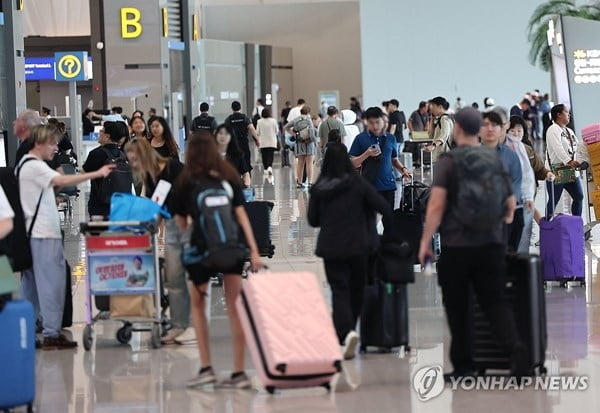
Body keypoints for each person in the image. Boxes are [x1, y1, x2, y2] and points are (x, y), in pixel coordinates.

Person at [417, 107, 528, 381]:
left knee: (458, 306)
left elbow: (436, 205)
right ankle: (516, 350)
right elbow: (511, 205)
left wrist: (425, 240)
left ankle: (465, 366)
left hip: (457, 245)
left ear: (456, 129)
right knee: (494, 301)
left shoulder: (449, 161)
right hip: (490, 243)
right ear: (478, 129)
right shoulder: (496, 160)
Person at [173, 134, 263, 389]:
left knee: (199, 309)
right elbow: (242, 215)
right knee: (236, 309)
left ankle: (206, 368)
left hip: (201, 252)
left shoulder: (186, 181)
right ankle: (238, 372)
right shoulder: (228, 177)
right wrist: (253, 250)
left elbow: (181, 223)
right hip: (231, 251)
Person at [19, 124, 115, 349]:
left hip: (34, 233)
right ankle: (52, 333)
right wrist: (97, 173)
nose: (56, 148)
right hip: (43, 234)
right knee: (51, 284)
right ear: (39, 144)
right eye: (52, 143)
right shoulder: (34, 165)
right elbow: (61, 181)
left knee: (31, 287)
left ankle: (27, 329)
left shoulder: (27, 165)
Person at [308, 143, 392, 359]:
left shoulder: (320, 187)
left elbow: (313, 220)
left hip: (332, 247)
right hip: (360, 246)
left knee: (339, 290)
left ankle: (345, 334)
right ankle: (349, 330)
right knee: (357, 289)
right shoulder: (359, 185)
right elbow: (384, 208)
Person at [123, 138, 193, 345]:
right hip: (172, 227)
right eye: (131, 161)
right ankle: (179, 324)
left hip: (191, 225)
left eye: (135, 160)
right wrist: (149, 226)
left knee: (193, 277)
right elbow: (159, 206)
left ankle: (193, 323)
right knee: (172, 277)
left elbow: (193, 194)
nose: (133, 165)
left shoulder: (175, 168)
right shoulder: (151, 178)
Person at [508, 116, 554, 253]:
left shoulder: (527, 149)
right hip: (509, 197)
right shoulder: (502, 150)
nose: (516, 134)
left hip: (527, 195)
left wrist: (547, 174)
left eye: (519, 130)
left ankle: (521, 257)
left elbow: (538, 168)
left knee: (525, 226)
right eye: (512, 131)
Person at [349, 107, 411, 209]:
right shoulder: (360, 138)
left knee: (389, 221)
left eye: (377, 122)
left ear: (383, 120)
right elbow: (352, 163)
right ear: (366, 123)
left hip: (388, 186)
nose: (375, 126)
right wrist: (366, 154)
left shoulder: (391, 138)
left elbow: (394, 160)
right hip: (368, 186)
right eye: (371, 122)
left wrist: (403, 169)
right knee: (369, 222)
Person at [492, 107, 536, 252]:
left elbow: (526, 173)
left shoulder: (516, 145)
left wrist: (528, 196)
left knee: (517, 244)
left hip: (516, 204)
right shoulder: (483, 145)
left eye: (500, 124)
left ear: (506, 125)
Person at [480, 111, 524, 250]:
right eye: (485, 125)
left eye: (494, 125)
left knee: (508, 254)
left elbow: (516, 183)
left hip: (507, 213)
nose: (490, 129)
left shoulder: (510, 156)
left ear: (501, 129)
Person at [82, 121, 132, 218]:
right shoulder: (123, 154)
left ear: (107, 136)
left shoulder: (96, 153)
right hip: (121, 203)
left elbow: (84, 174)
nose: (100, 131)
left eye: (102, 130)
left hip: (100, 205)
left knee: (99, 231)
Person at [545, 104, 584, 216]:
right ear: (559, 114)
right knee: (553, 201)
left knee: (579, 196)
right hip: (556, 170)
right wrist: (569, 161)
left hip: (569, 169)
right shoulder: (552, 130)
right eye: (567, 112)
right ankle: (546, 225)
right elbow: (558, 148)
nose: (569, 114)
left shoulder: (568, 131)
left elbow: (578, 146)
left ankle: (576, 223)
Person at [285, 106, 318, 188]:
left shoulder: (296, 120)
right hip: (309, 143)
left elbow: (286, 127)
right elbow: (312, 133)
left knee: (300, 163)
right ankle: (310, 182)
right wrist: (315, 143)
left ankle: (299, 182)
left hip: (299, 143)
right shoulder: (308, 119)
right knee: (309, 163)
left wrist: (294, 135)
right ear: (308, 112)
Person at [224, 101, 260, 172]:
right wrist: (257, 139)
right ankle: (247, 180)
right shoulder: (245, 118)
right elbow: (252, 129)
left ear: (232, 108)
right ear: (240, 108)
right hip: (244, 143)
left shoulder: (229, 119)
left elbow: (225, 131)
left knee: (234, 163)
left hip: (233, 144)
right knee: (246, 162)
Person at [424, 96, 453, 163]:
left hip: (443, 156)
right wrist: (432, 119)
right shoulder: (440, 119)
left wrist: (433, 146)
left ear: (440, 107)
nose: (431, 109)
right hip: (439, 156)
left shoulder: (444, 119)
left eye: (433, 107)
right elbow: (430, 135)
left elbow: (444, 134)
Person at [256, 108, 278, 175]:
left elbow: (257, 132)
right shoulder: (273, 121)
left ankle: (266, 169)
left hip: (263, 142)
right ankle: (269, 167)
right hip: (272, 141)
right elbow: (277, 131)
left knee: (264, 156)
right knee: (270, 155)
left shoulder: (259, 121)